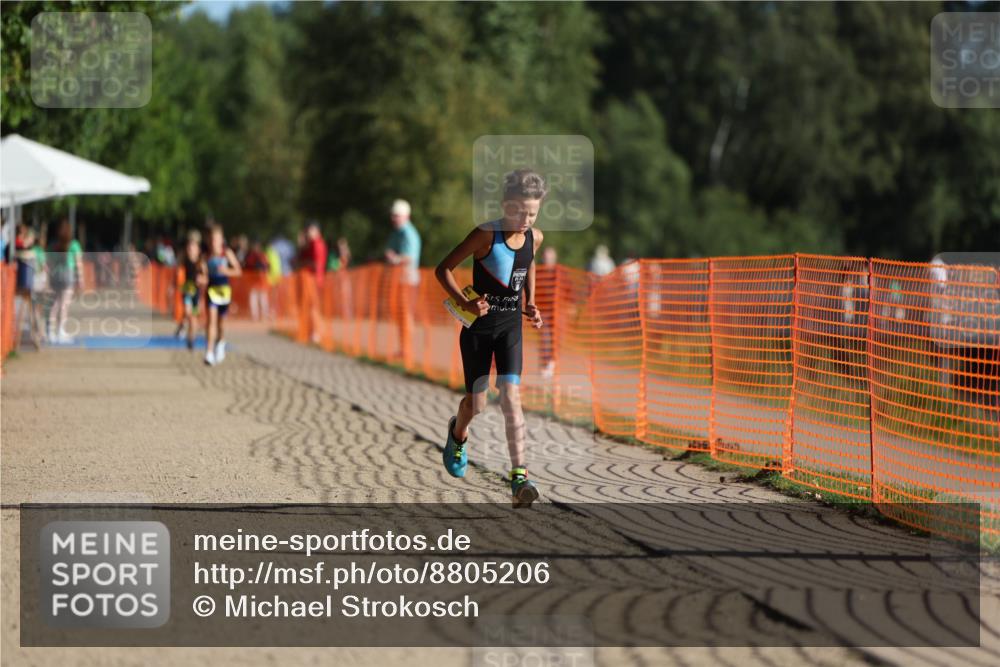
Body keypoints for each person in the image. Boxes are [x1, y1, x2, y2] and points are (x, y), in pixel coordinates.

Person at [435, 169, 547, 508]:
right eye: (519, 211)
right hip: (478, 330)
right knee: (477, 404)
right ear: (504, 205)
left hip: (510, 328)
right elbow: (444, 269)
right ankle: (458, 433)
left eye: (532, 213)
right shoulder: (486, 234)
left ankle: (519, 478)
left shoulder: (535, 237)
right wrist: (464, 302)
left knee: (511, 398)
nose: (526, 219)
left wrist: (531, 303)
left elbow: (528, 267)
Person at [385, 199, 422, 364]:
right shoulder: (396, 232)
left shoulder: (409, 234)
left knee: (406, 315)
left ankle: (408, 350)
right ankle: (403, 348)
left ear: (405, 216)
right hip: (399, 281)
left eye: (397, 215)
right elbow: (389, 250)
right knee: (401, 316)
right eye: (393, 215)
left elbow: (409, 257)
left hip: (408, 281)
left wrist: (395, 259)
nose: (394, 218)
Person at [203, 224, 241, 366]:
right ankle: (209, 352)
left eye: (217, 239)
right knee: (211, 321)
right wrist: (202, 279)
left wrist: (226, 271)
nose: (214, 242)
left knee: (221, 324)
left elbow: (238, 271)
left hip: (224, 290)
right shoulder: (206, 256)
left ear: (221, 240)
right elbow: (203, 274)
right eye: (212, 239)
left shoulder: (227, 253)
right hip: (211, 290)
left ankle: (221, 343)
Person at [47, 220, 84, 344]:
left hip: (56, 275)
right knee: (64, 305)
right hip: (68, 275)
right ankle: (60, 331)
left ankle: (50, 332)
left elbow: (49, 263)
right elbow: (78, 264)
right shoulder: (74, 245)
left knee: (55, 304)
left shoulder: (54, 244)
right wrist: (81, 280)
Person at [297, 221, 327, 344]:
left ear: (317, 230)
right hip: (309, 280)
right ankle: (313, 331)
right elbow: (300, 257)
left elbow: (315, 263)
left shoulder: (317, 244)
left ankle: (317, 332)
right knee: (310, 307)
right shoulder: (310, 244)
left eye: (310, 230)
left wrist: (304, 264)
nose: (308, 233)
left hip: (315, 279)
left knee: (314, 307)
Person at [175, 231, 206, 350]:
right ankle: (182, 325)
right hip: (187, 289)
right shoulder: (184, 258)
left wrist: (201, 279)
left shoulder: (201, 262)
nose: (190, 249)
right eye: (189, 246)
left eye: (193, 247)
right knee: (188, 313)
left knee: (193, 317)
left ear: (197, 249)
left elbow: (206, 278)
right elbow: (177, 270)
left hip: (196, 293)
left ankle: (191, 339)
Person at [13, 225, 42, 350]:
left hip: (28, 284)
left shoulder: (29, 248)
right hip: (23, 284)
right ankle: (32, 337)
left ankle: (36, 336)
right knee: (27, 312)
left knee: (32, 312)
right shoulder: (18, 244)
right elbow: (21, 248)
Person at [244, 238, 271, 322]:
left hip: (261, 280)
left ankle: (264, 315)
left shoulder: (262, 255)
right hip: (253, 281)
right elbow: (247, 266)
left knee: (262, 299)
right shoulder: (250, 256)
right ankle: (254, 316)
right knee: (253, 298)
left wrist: (260, 267)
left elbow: (267, 266)